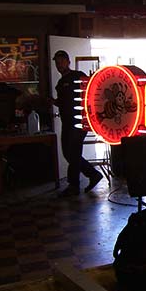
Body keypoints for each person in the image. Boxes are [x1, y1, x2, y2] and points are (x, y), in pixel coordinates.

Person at [51, 50, 102, 197]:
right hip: (67, 122)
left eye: (61, 61)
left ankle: (74, 185)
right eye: (57, 62)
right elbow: (62, 103)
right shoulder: (60, 83)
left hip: (78, 122)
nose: (59, 65)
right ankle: (92, 174)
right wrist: (53, 102)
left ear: (68, 62)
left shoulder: (77, 75)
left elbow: (91, 87)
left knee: (72, 153)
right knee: (69, 153)